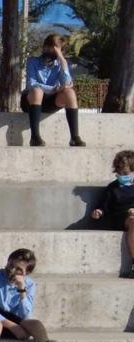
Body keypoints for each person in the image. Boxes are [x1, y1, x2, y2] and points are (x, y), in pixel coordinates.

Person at [22, 34, 85, 147]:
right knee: (37, 91)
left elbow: (67, 84)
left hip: (50, 102)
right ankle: (35, 137)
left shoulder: (60, 64)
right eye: (46, 46)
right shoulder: (32, 61)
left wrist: (63, 62)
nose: (48, 50)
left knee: (70, 93)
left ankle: (74, 137)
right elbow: (31, 84)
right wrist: (55, 89)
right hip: (31, 101)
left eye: (53, 48)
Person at [90, 150, 134, 278]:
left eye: (125, 173)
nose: (121, 175)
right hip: (121, 218)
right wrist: (98, 212)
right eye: (119, 173)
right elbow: (102, 207)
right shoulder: (112, 188)